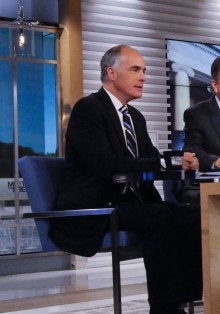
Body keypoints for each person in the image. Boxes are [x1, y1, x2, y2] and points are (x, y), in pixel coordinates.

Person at [54, 45, 201, 314]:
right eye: (135, 69)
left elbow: (152, 161)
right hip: (96, 205)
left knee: (191, 216)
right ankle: (164, 307)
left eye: (144, 70)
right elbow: (105, 165)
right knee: (161, 219)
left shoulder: (134, 117)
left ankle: (187, 298)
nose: (143, 76)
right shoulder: (88, 109)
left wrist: (181, 161)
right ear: (111, 73)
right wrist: (162, 161)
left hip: (130, 202)